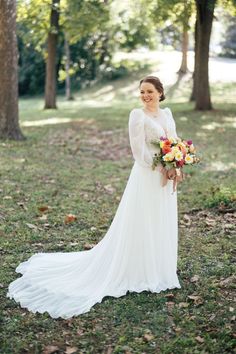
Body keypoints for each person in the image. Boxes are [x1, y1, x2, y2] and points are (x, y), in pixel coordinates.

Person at [7, 75, 181, 319]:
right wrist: (161, 166)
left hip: (167, 176)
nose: (145, 96)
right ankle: (137, 266)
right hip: (147, 174)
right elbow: (138, 150)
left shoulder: (167, 115)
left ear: (160, 92)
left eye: (150, 91)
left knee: (160, 219)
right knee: (141, 219)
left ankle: (159, 267)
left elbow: (174, 143)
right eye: (142, 92)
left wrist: (176, 164)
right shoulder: (137, 116)